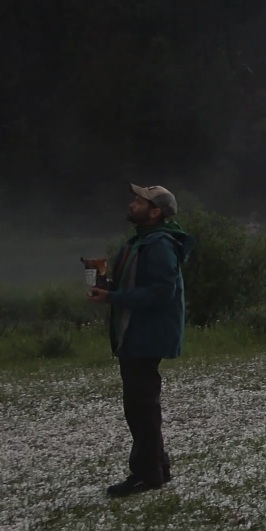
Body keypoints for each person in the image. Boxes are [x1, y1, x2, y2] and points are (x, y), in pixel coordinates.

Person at [86, 184, 195, 497]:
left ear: (155, 211)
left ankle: (146, 474)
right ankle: (158, 466)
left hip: (146, 335)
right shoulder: (140, 242)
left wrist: (114, 297)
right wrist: (104, 280)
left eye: (139, 201)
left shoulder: (159, 244)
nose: (132, 205)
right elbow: (138, 283)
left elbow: (163, 292)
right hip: (136, 333)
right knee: (143, 404)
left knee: (140, 407)